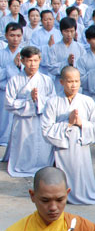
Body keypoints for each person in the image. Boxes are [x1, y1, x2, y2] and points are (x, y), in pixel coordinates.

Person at [41, 66, 95, 205]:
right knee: (60, 176)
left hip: (80, 148)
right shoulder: (53, 101)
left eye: (76, 81)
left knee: (81, 174)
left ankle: (82, 192)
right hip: (61, 150)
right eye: (70, 81)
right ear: (61, 82)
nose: (74, 85)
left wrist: (81, 123)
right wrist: (68, 123)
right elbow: (46, 129)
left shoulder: (87, 101)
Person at [3, 46, 55, 177]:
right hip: (22, 121)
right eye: (29, 61)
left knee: (41, 146)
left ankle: (42, 165)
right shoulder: (15, 80)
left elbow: (52, 101)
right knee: (24, 146)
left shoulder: (46, 80)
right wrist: (29, 101)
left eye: (35, 60)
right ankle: (22, 165)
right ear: (22, 61)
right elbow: (9, 103)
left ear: (40, 60)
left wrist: (39, 100)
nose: (32, 64)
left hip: (40, 119)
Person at [44, 16, 84, 95]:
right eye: (66, 31)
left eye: (72, 31)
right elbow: (51, 67)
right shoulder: (54, 48)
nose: (69, 34)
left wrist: (73, 64)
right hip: (60, 84)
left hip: (75, 84)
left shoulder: (80, 47)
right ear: (61, 31)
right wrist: (66, 63)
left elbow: (83, 67)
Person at [0, 22, 23, 146]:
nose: (15, 39)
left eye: (18, 36)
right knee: (3, 119)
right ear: (6, 36)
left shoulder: (25, 54)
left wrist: (19, 66)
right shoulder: (1, 54)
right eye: (12, 35)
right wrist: (11, 65)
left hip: (20, 93)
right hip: (3, 91)